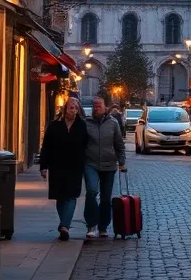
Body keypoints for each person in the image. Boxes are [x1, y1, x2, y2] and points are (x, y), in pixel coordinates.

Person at [39, 97, 88, 241]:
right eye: (71, 107)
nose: (73, 110)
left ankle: (65, 225)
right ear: (65, 109)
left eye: (75, 108)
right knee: (60, 197)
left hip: (75, 167)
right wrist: (44, 166)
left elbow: (86, 145)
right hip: (57, 166)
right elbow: (46, 147)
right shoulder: (54, 126)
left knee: (72, 196)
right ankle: (64, 224)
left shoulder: (82, 126)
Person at [83, 96, 126, 239]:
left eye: (99, 106)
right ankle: (91, 224)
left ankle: (103, 226)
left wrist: (122, 162)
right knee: (91, 191)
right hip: (91, 163)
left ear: (105, 107)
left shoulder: (113, 123)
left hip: (109, 165)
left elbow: (119, 144)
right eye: (94, 106)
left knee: (106, 198)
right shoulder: (86, 123)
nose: (96, 108)